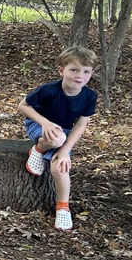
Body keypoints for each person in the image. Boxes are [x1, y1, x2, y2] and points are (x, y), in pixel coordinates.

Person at [18, 46, 98, 232]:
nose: (80, 76)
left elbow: (80, 125)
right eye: (74, 70)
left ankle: (63, 207)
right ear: (61, 70)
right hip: (38, 125)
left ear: (91, 74)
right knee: (56, 138)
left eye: (86, 71)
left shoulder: (89, 96)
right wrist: (45, 123)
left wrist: (64, 152)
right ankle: (38, 149)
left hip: (65, 134)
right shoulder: (49, 90)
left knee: (60, 166)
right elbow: (23, 106)